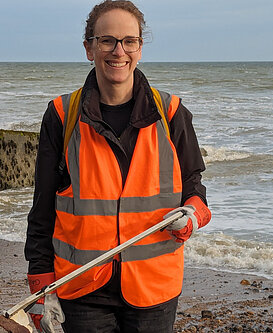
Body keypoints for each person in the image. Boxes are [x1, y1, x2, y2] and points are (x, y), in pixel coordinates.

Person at [24, 1, 211, 332]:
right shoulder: (62, 116)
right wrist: (40, 287)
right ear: (89, 48)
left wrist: (193, 215)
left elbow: (194, 187)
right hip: (81, 288)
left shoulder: (171, 113)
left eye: (129, 41)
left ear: (139, 48)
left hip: (154, 289)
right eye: (107, 40)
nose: (118, 51)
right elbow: (43, 209)